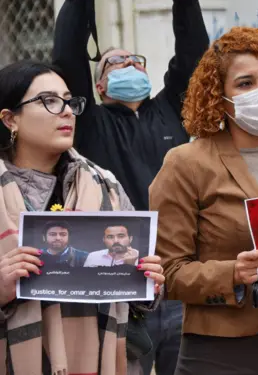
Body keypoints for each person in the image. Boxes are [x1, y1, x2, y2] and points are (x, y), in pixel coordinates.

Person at [52, 0, 209, 373]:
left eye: (134, 59)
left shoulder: (171, 110)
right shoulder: (92, 123)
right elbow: (67, 61)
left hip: (176, 279)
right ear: (100, 85)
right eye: (114, 61)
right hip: (117, 283)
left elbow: (195, 54)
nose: (127, 64)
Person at [149, 27, 258, 375]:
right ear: (219, 96)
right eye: (245, 83)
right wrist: (234, 273)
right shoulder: (186, 163)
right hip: (219, 352)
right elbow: (168, 273)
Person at [0, 60, 165, 375]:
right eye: (48, 101)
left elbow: (138, 293)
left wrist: (148, 282)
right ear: (10, 119)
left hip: (101, 359)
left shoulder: (104, 184)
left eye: (68, 101)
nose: (65, 111)